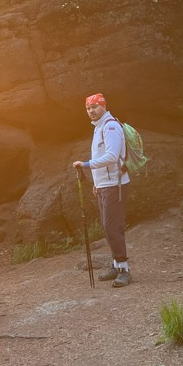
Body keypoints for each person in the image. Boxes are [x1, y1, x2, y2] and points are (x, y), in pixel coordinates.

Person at [72, 93, 132, 287]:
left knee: (112, 227)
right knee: (108, 227)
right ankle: (116, 264)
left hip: (116, 184)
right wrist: (97, 184)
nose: (91, 111)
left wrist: (86, 164)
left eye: (95, 107)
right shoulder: (98, 128)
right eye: (88, 108)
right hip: (105, 186)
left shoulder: (111, 126)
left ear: (103, 106)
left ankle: (124, 269)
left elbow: (112, 156)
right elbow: (103, 156)